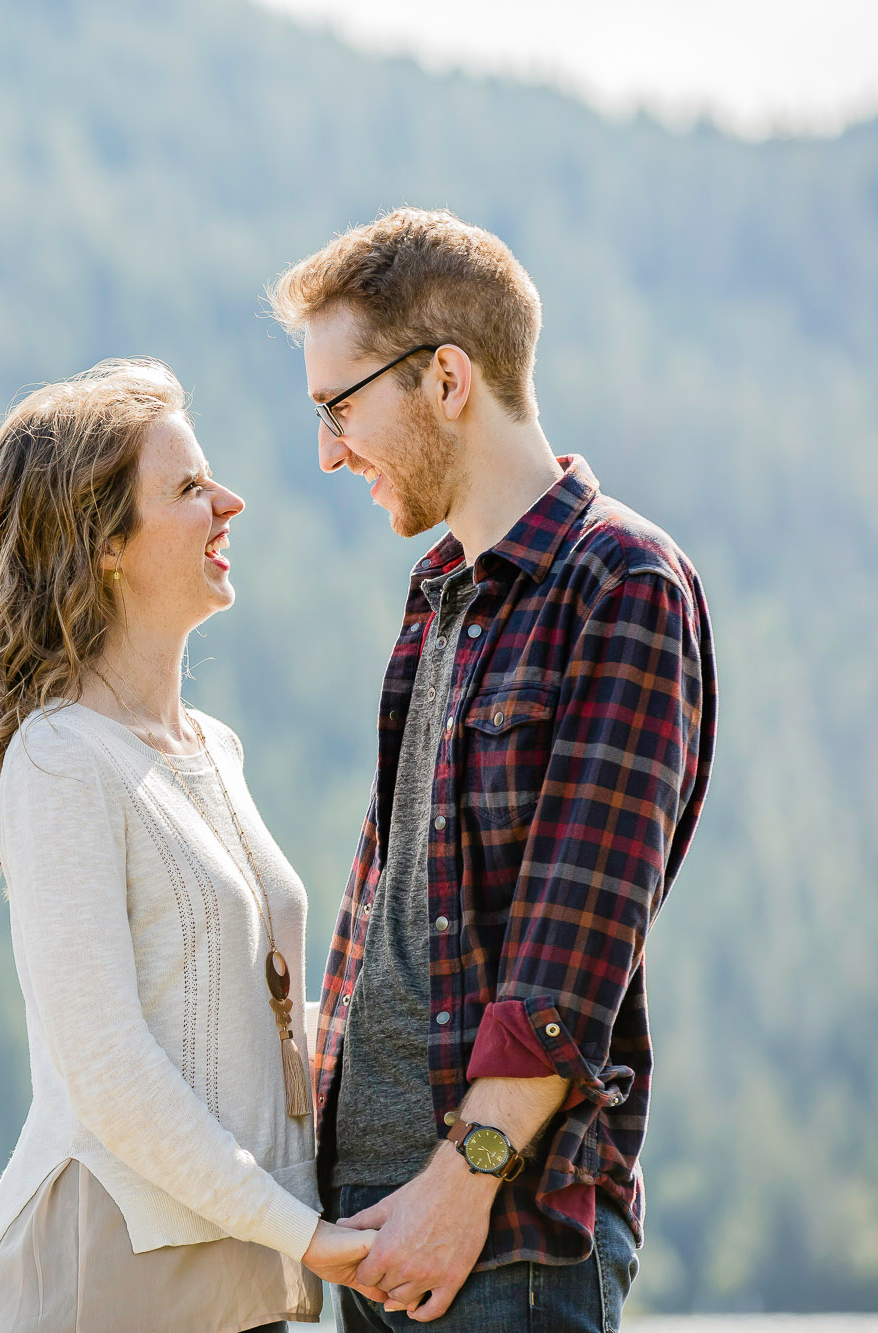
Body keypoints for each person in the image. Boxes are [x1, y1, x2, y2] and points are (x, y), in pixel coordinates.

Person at [269, 208, 718, 1330]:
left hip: (499, 1245)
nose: (326, 449)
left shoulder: (620, 582)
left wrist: (460, 1187)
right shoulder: (437, 596)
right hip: (377, 1233)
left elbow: (575, 947)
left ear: (447, 380)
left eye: (339, 407)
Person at [0, 359, 376, 1332]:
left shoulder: (216, 750)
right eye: (190, 488)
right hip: (106, 1273)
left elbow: (254, 1023)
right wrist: (302, 1232)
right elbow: (110, 1071)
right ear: (105, 545)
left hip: (239, 1277)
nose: (228, 502)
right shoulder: (60, 760)